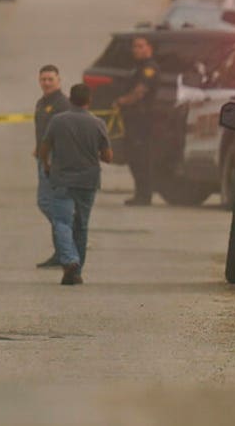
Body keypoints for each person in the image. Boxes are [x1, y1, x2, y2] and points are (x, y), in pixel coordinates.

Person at [38, 83, 113, 286]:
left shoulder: (57, 121)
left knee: (62, 222)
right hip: (88, 182)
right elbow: (107, 157)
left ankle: (69, 260)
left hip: (62, 180)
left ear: (70, 99)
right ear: (89, 101)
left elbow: (43, 149)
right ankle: (76, 272)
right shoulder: (98, 123)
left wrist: (46, 166)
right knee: (81, 225)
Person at [115, 36, 160, 206]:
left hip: (142, 119)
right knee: (133, 156)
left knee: (141, 157)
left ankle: (144, 195)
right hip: (133, 118)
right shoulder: (137, 67)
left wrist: (122, 101)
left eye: (141, 46)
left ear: (149, 48)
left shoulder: (149, 68)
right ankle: (140, 193)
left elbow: (140, 91)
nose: (137, 50)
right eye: (134, 46)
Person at [33, 65, 70, 268]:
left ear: (59, 80)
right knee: (50, 203)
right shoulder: (42, 102)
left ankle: (67, 232)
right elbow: (43, 129)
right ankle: (61, 251)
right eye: (43, 79)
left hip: (53, 160)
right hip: (43, 155)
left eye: (50, 79)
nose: (46, 83)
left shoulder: (62, 104)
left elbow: (63, 135)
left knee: (47, 202)